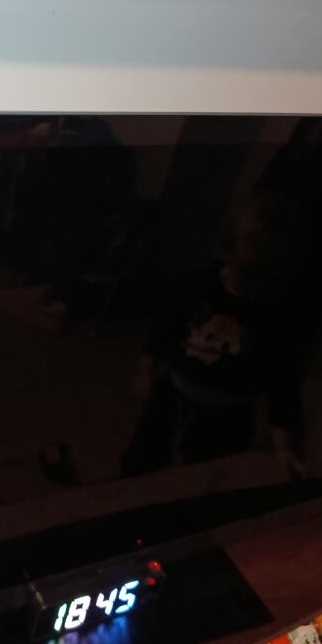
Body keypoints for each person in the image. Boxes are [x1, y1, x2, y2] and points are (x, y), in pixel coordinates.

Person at [121, 191, 303, 477]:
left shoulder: (273, 312)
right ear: (231, 242)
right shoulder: (198, 285)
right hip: (174, 393)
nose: (260, 252)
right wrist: (145, 369)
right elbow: (164, 328)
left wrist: (283, 448)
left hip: (227, 416)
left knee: (204, 478)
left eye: (268, 246)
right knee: (140, 462)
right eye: (253, 240)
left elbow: (281, 383)